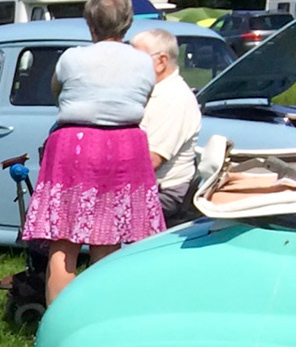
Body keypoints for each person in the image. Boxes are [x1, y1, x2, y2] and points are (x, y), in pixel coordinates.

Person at [20, 0, 163, 305]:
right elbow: (146, 95)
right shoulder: (143, 62)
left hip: (75, 144)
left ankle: (57, 324)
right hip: (125, 146)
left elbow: (57, 91)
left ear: (90, 24)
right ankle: (96, 319)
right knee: (108, 238)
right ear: (127, 23)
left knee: (64, 239)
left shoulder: (72, 58)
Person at [134, 25, 201, 226]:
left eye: (137, 60)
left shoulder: (173, 98)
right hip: (152, 188)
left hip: (165, 193)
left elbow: (151, 160)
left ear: (161, 61)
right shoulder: (155, 94)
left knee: (100, 210)